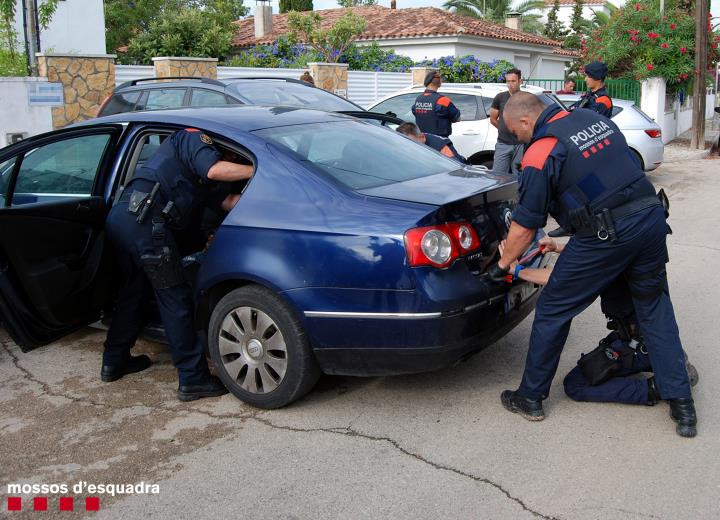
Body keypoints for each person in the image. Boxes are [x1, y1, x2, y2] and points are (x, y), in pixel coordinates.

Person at [488, 92, 697, 437]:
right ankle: (683, 406)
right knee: (655, 308)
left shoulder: (541, 150)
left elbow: (525, 225)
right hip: (650, 219)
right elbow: (604, 183)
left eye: (516, 132)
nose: (519, 139)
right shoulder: (595, 120)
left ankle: (530, 397)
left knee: (554, 309)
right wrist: (559, 241)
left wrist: (503, 264)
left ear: (526, 121)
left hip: (607, 236)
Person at [102, 129, 253, 402]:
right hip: (145, 223)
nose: (232, 158)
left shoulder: (206, 170)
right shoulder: (193, 138)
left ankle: (114, 360)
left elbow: (228, 201)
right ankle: (193, 379)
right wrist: (256, 169)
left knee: (135, 291)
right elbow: (215, 171)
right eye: (233, 153)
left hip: (126, 219)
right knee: (175, 297)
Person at [503, 237, 699, 406]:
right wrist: (557, 246)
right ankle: (672, 362)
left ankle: (655, 388)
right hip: (653, 337)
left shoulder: (605, 261)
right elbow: (592, 250)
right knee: (618, 345)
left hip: (636, 344)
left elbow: (560, 278)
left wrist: (517, 270)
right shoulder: (630, 243)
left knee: (575, 384)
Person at [489, 68, 523, 175]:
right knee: (498, 176)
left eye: (513, 81)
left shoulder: (527, 98)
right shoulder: (500, 97)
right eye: (508, 81)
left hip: (521, 145)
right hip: (503, 144)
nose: (510, 84)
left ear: (520, 81)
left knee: (519, 177)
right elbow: (493, 119)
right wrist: (504, 128)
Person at [412, 70, 461, 138]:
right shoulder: (443, 101)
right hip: (439, 142)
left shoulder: (418, 99)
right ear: (440, 83)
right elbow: (457, 118)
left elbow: (415, 113)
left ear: (426, 82)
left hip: (422, 141)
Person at [396, 122, 467, 163]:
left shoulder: (440, 146)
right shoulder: (395, 145)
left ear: (422, 136)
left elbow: (454, 167)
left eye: (413, 143)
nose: (409, 147)